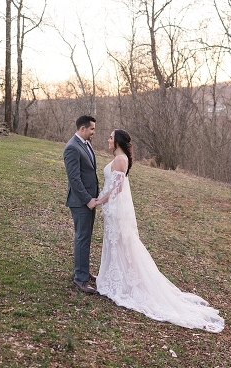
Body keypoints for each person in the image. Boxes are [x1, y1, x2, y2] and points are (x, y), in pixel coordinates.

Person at [94, 129, 224, 332]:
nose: (108, 140)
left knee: (122, 245)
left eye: (111, 137)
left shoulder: (120, 159)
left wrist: (98, 201)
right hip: (113, 210)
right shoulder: (119, 158)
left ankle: (124, 283)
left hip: (116, 210)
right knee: (117, 244)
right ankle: (116, 278)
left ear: (117, 141)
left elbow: (116, 188)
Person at [64, 115, 100, 294]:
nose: (94, 132)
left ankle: (84, 271)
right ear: (83, 129)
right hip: (81, 202)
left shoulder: (85, 144)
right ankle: (80, 278)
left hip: (89, 201)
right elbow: (75, 179)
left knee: (85, 238)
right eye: (92, 129)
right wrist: (88, 200)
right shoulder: (72, 148)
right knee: (82, 238)